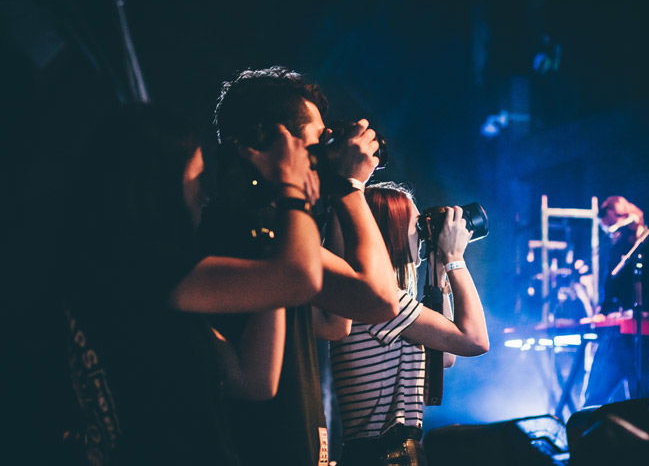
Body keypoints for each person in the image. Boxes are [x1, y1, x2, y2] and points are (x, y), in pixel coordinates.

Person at [62, 104, 323, 465]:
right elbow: (299, 279)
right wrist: (293, 191)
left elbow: (255, 381)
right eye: (198, 179)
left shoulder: (132, 277)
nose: (204, 194)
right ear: (162, 184)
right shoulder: (139, 266)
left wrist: (273, 242)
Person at [201, 66, 400, 466]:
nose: (323, 156)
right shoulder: (253, 230)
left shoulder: (271, 230)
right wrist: (349, 188)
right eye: (316, 142)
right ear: (274, 140)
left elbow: (335, 322)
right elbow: (379, 300)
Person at [330, 182, 489, 466]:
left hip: (381, 454)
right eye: (416, 223)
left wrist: (439, 272)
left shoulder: (380, 301)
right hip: (383, 455)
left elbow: (444, 358)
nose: (423, 232)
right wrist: (455, 260)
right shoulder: (380, 303)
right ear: (390, 230)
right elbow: (474, 341)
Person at [584, 195, 649, 405]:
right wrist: (603, 312)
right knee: (596, 393)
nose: (614, 231)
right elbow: (610, 284)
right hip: (616, 333)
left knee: (639, 392)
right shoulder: (618, 248)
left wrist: (648, 309)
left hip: (642, 331)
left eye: (614, 224)